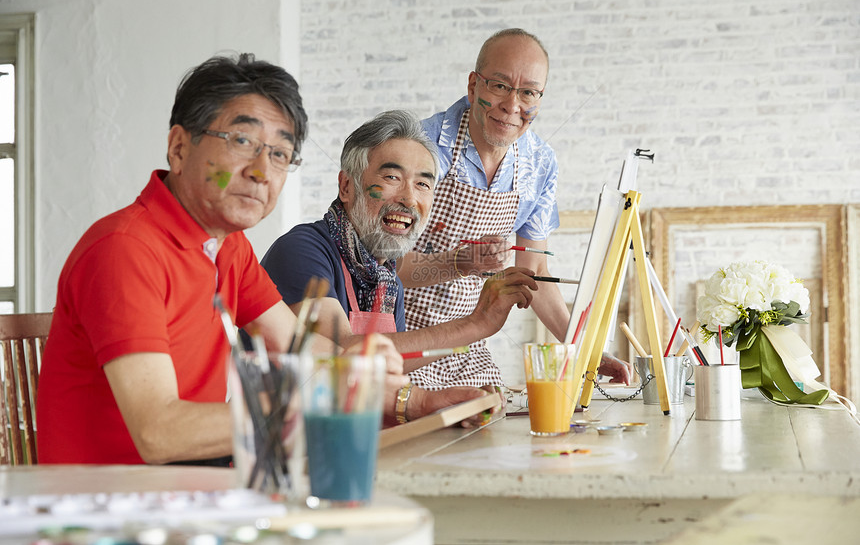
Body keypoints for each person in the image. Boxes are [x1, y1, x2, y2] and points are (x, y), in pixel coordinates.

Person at [37, 54, 401, 466]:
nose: (262, 171)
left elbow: (299, 347)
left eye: (281, 154)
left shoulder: (228, 247)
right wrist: (331, 389)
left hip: (196, 488)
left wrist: (408, 396)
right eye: (242, 141)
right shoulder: (123, 249)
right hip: (110, 511)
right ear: (178, 147)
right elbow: (160, 434)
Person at [261, 110, 539, 427]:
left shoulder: (385, 273)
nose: (408, 199)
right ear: (346, 186)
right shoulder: (302, 251)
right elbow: (346, 355)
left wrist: (458, 394)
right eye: (392, 178)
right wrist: (475, 324)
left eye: (423, 184)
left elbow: (391, 363)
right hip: (288, 454)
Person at [398, 28, 632, 390]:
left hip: (465, 350)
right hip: (400, 343)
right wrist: (462, 262)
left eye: (528, 92)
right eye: (499, 86)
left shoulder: (539, 162)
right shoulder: (423, 147)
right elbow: (380, 268)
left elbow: (534, 269)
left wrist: (584, 347)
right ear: (474, 85)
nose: (512, 105)